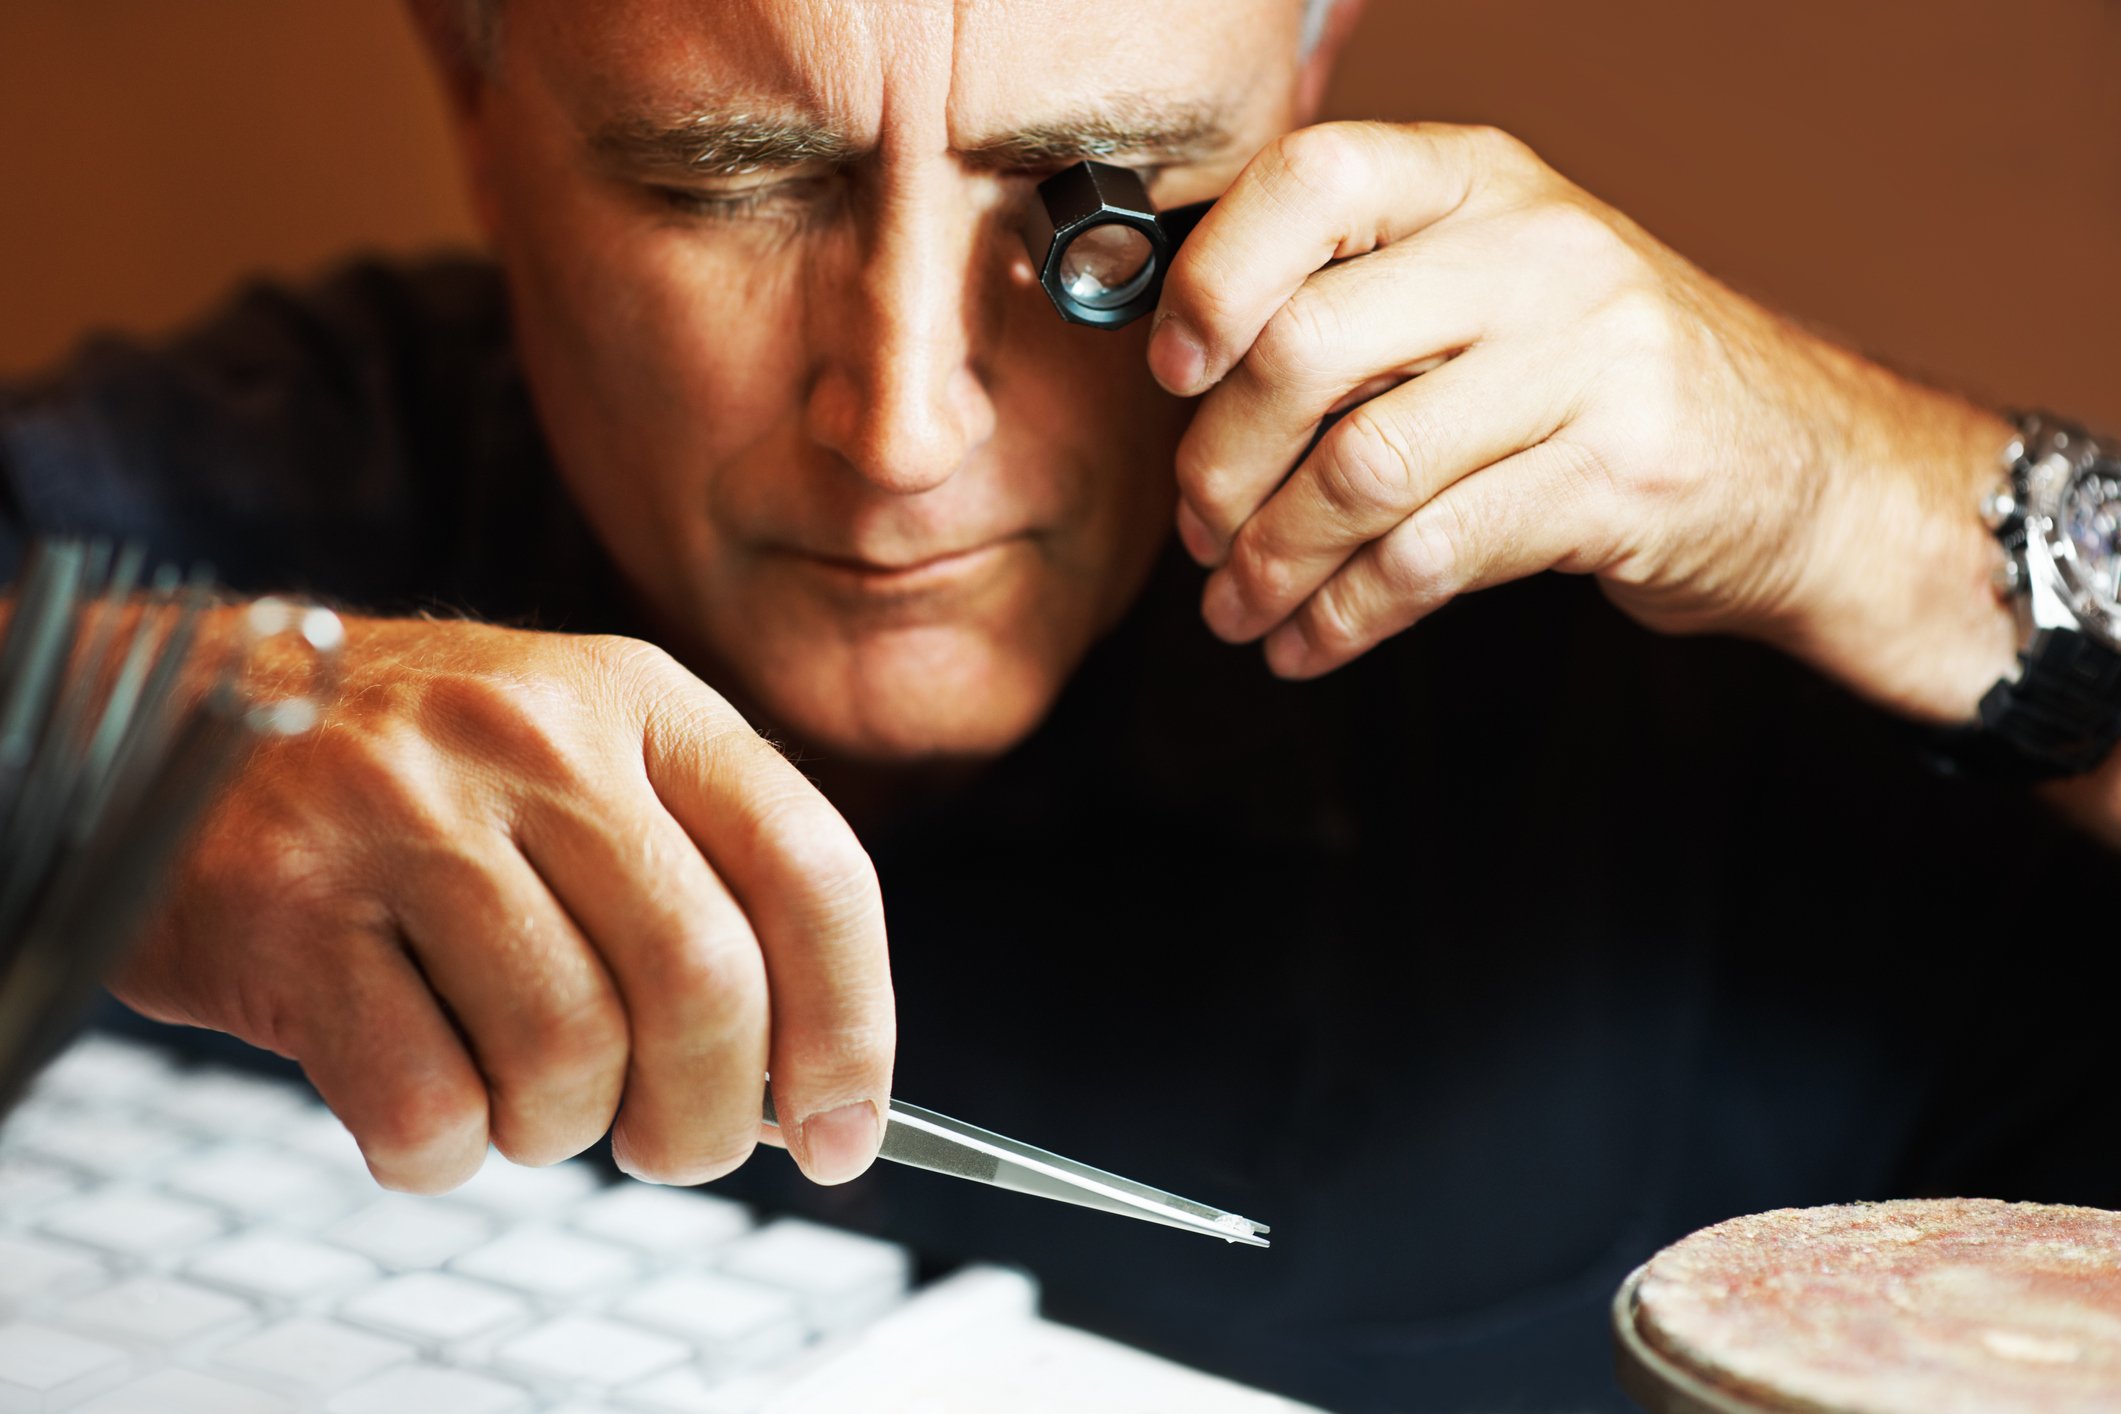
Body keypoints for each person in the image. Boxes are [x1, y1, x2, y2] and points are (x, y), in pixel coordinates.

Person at [4, 1, 2118, 1407]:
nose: (902, 427)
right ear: (473, 100)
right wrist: (109, 737)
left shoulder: (1674, 675)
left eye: (1098, 196)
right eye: (722, 182)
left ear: (1305, 61)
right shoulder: (274, 491)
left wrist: (1899, 519)